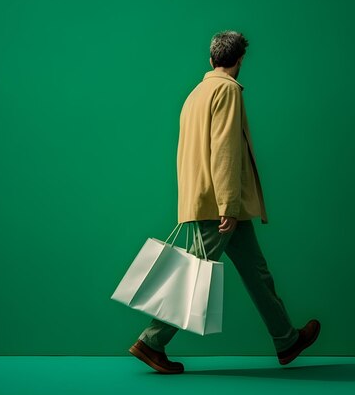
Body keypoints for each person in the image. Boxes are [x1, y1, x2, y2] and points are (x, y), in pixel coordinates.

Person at [128, 30, 321, 374]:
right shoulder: (228, 90)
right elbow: (225, 151)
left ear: (211, 59)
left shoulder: (195, 94)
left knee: (256, 273)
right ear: (240, 60)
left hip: (204, 198)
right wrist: (228, 206)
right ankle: (151, 342)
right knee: (193, 274)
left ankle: (286, 339)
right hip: (219, 204)